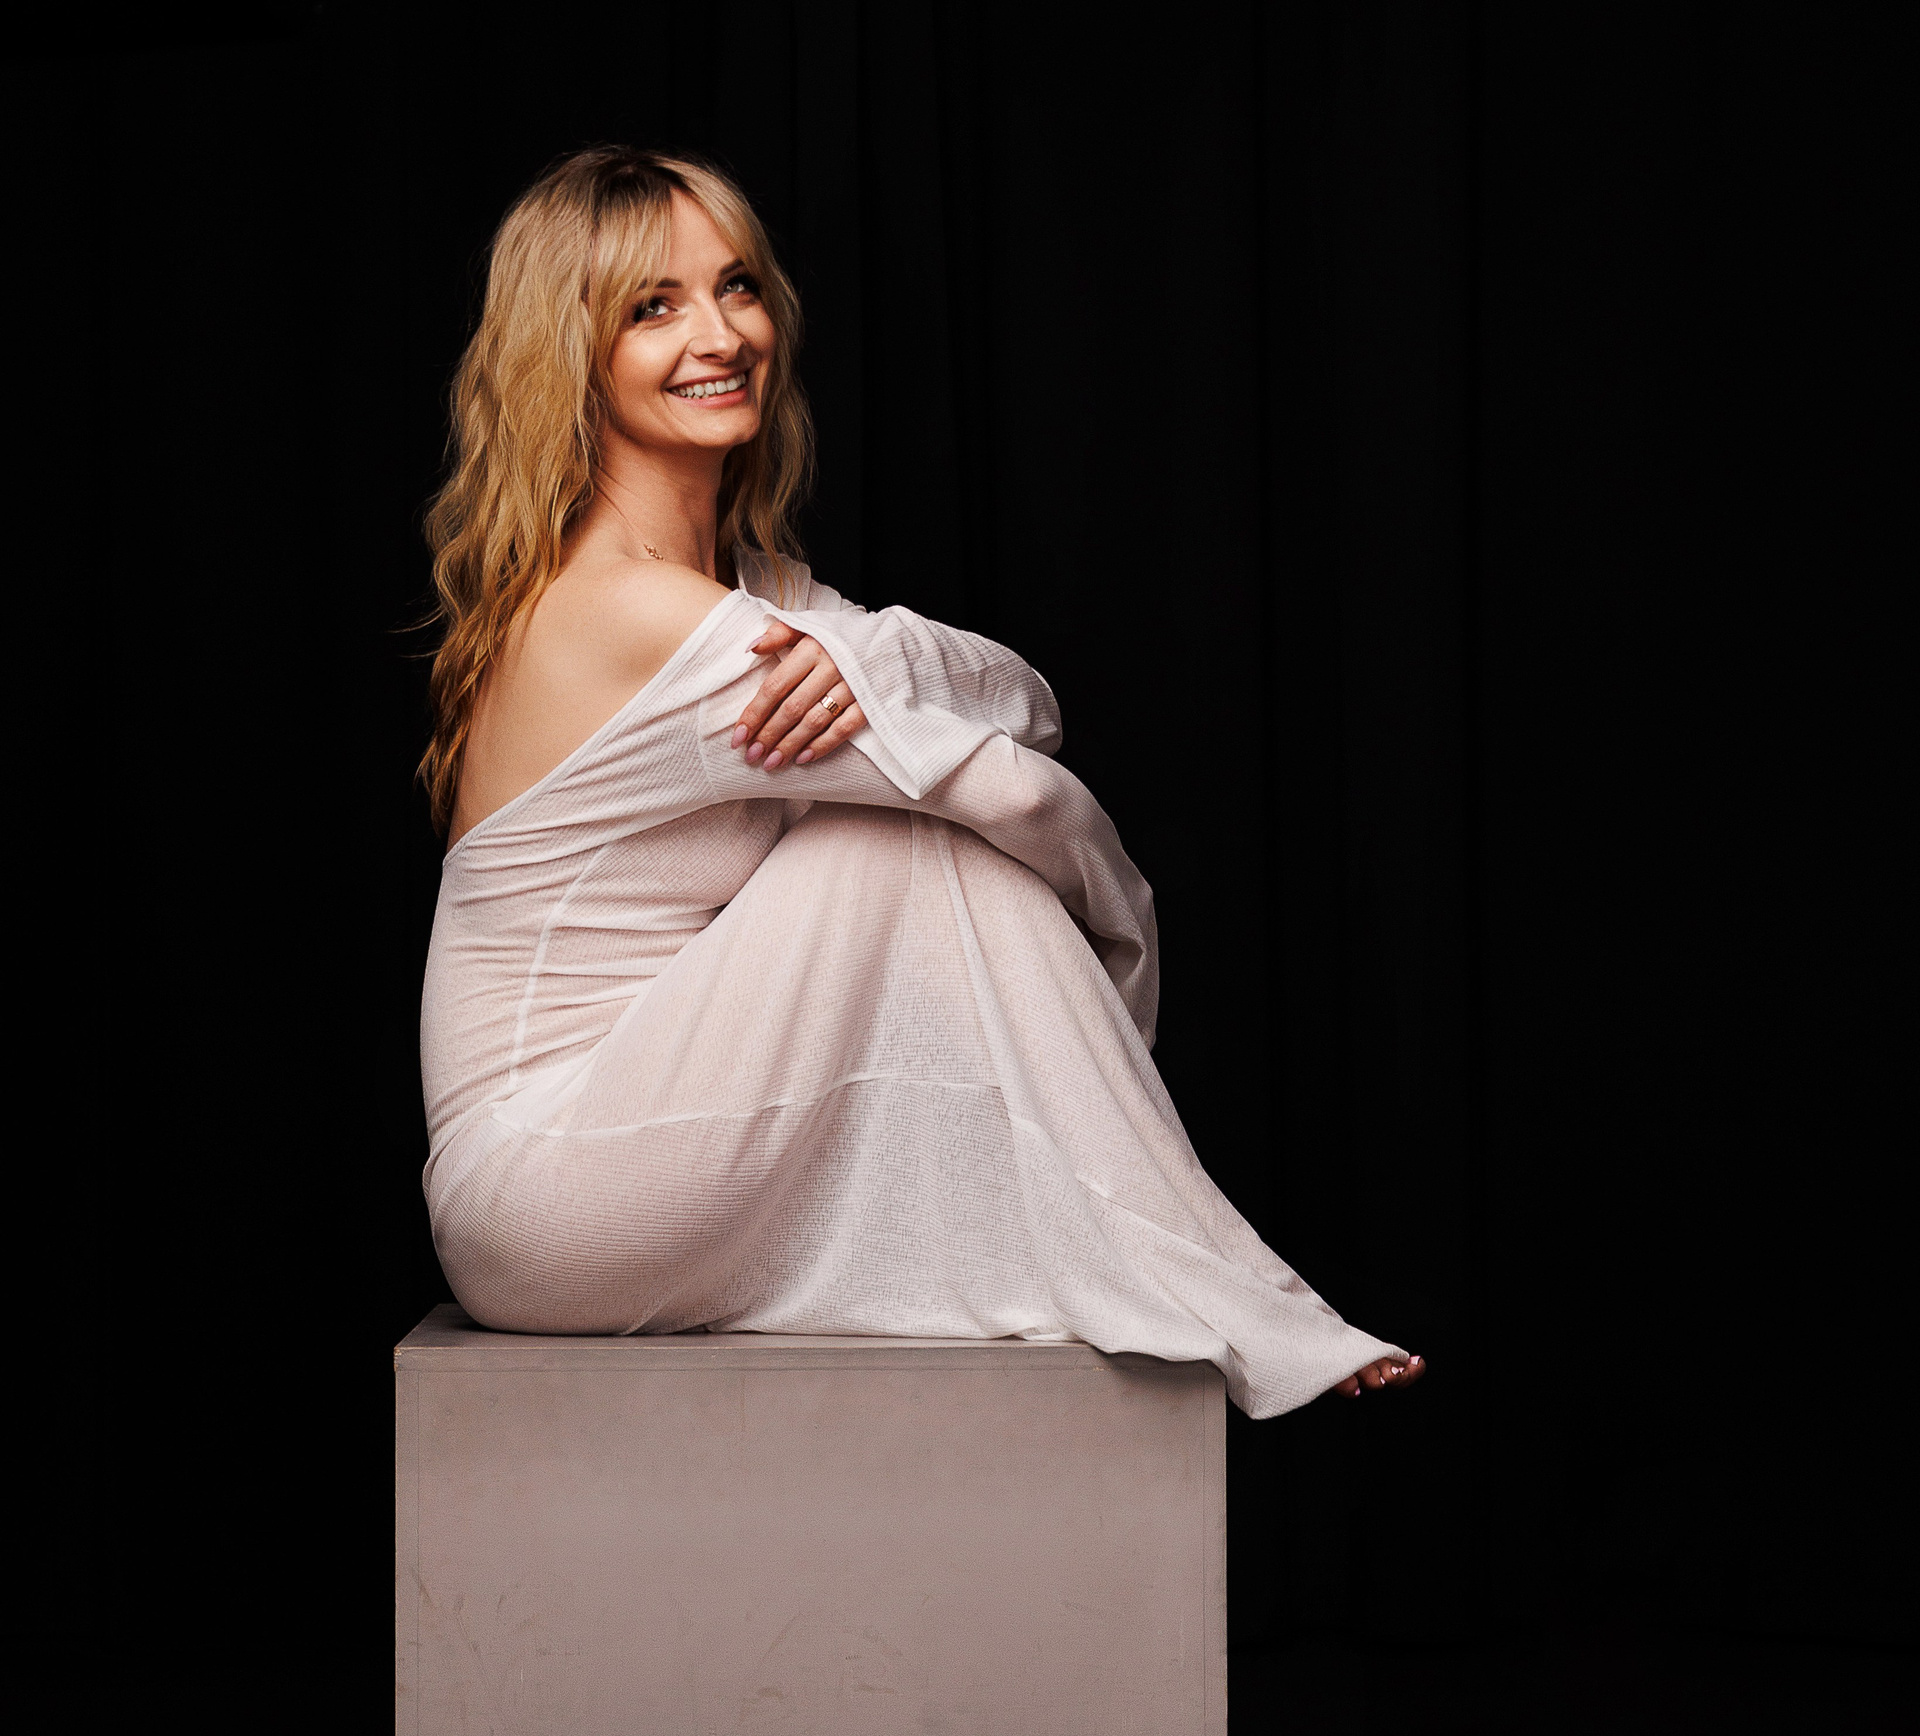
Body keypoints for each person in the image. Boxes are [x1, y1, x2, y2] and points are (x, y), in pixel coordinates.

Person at [418, 146, 1424, 1417]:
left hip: (658, 1139)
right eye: (651, 307)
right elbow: (1017, 789)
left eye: (737, 286)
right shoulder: (626, 612)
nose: (720, 335)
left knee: (905, 812)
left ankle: (1190, 1268)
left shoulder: (766, 600)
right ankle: (1217, 1279)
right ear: (573, 355)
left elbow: (1023, 699)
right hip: (545, 1190)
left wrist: (882, 653)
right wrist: (1121, 914)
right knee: (905, 836)